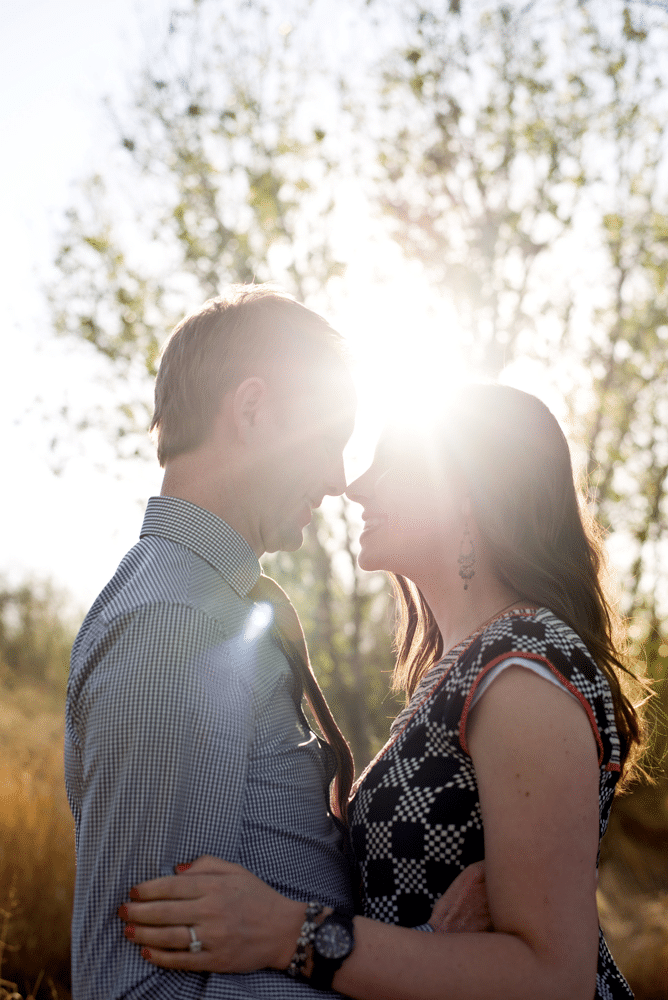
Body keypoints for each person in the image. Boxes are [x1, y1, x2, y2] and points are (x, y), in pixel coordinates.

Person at [118, 383, 644, 999]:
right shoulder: (465, 668)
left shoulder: (522, 669)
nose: (356, 486)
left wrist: (284, 932)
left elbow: (555, 981)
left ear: (468, 490)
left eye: (392, 462)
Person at [65, 284, 368, 1000]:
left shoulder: (206, 608)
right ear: (254, 410)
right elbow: (138, 988)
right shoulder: (177, 628)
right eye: (327, 441)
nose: (336, 480)